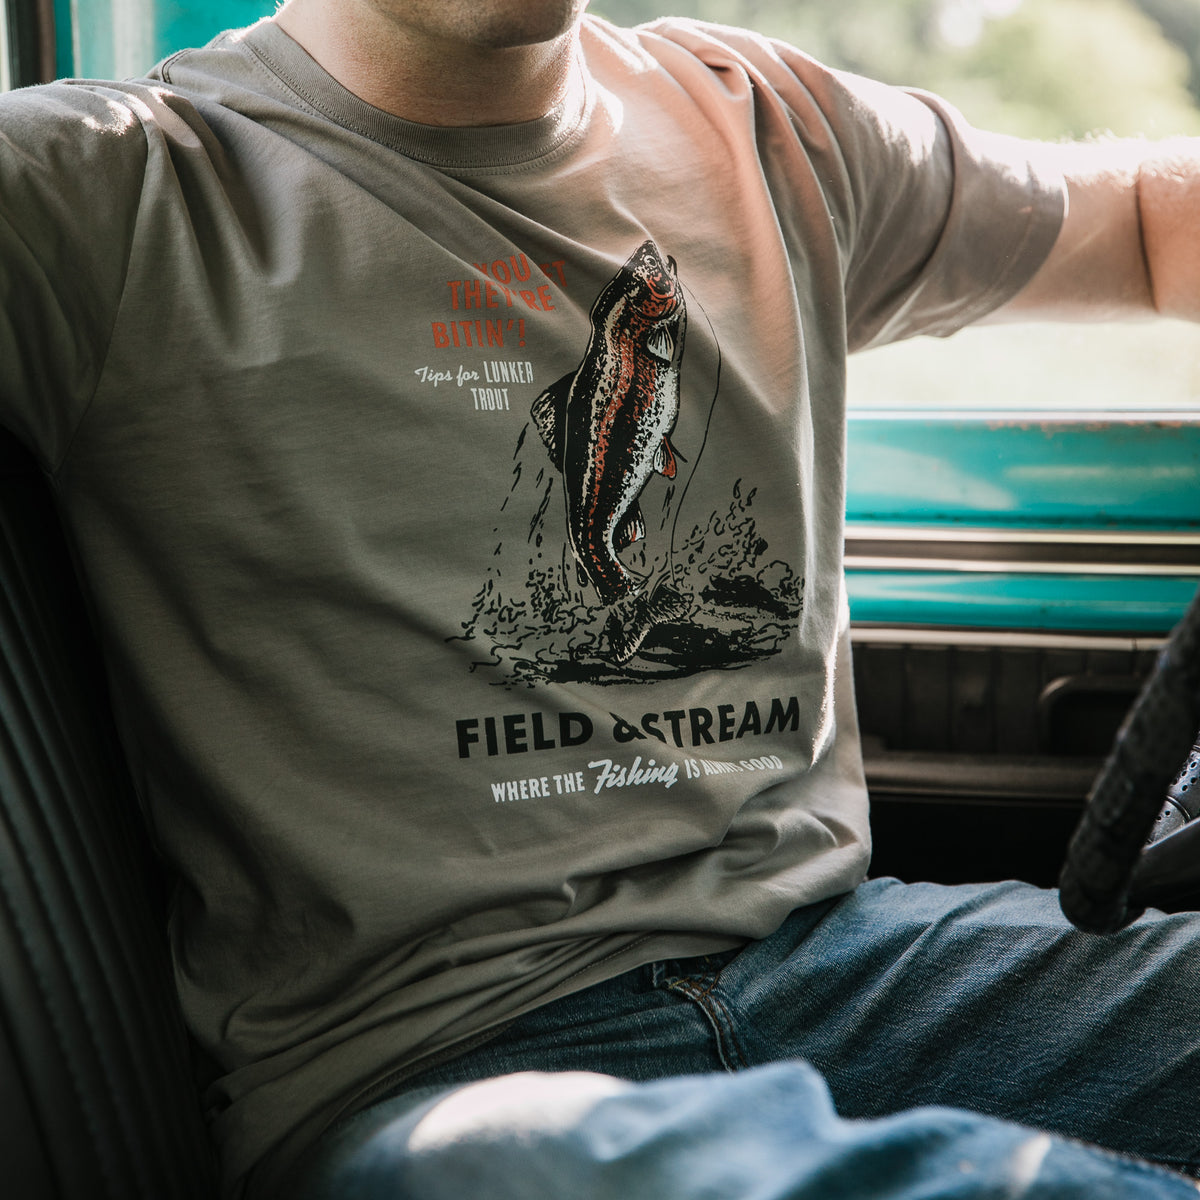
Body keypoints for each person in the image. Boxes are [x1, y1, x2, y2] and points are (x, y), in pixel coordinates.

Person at [3, 1, 1200, 1196]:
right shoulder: (97, 189)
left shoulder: (768, 127)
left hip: (837, 962)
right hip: (439, 1071)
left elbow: (1153, 225)